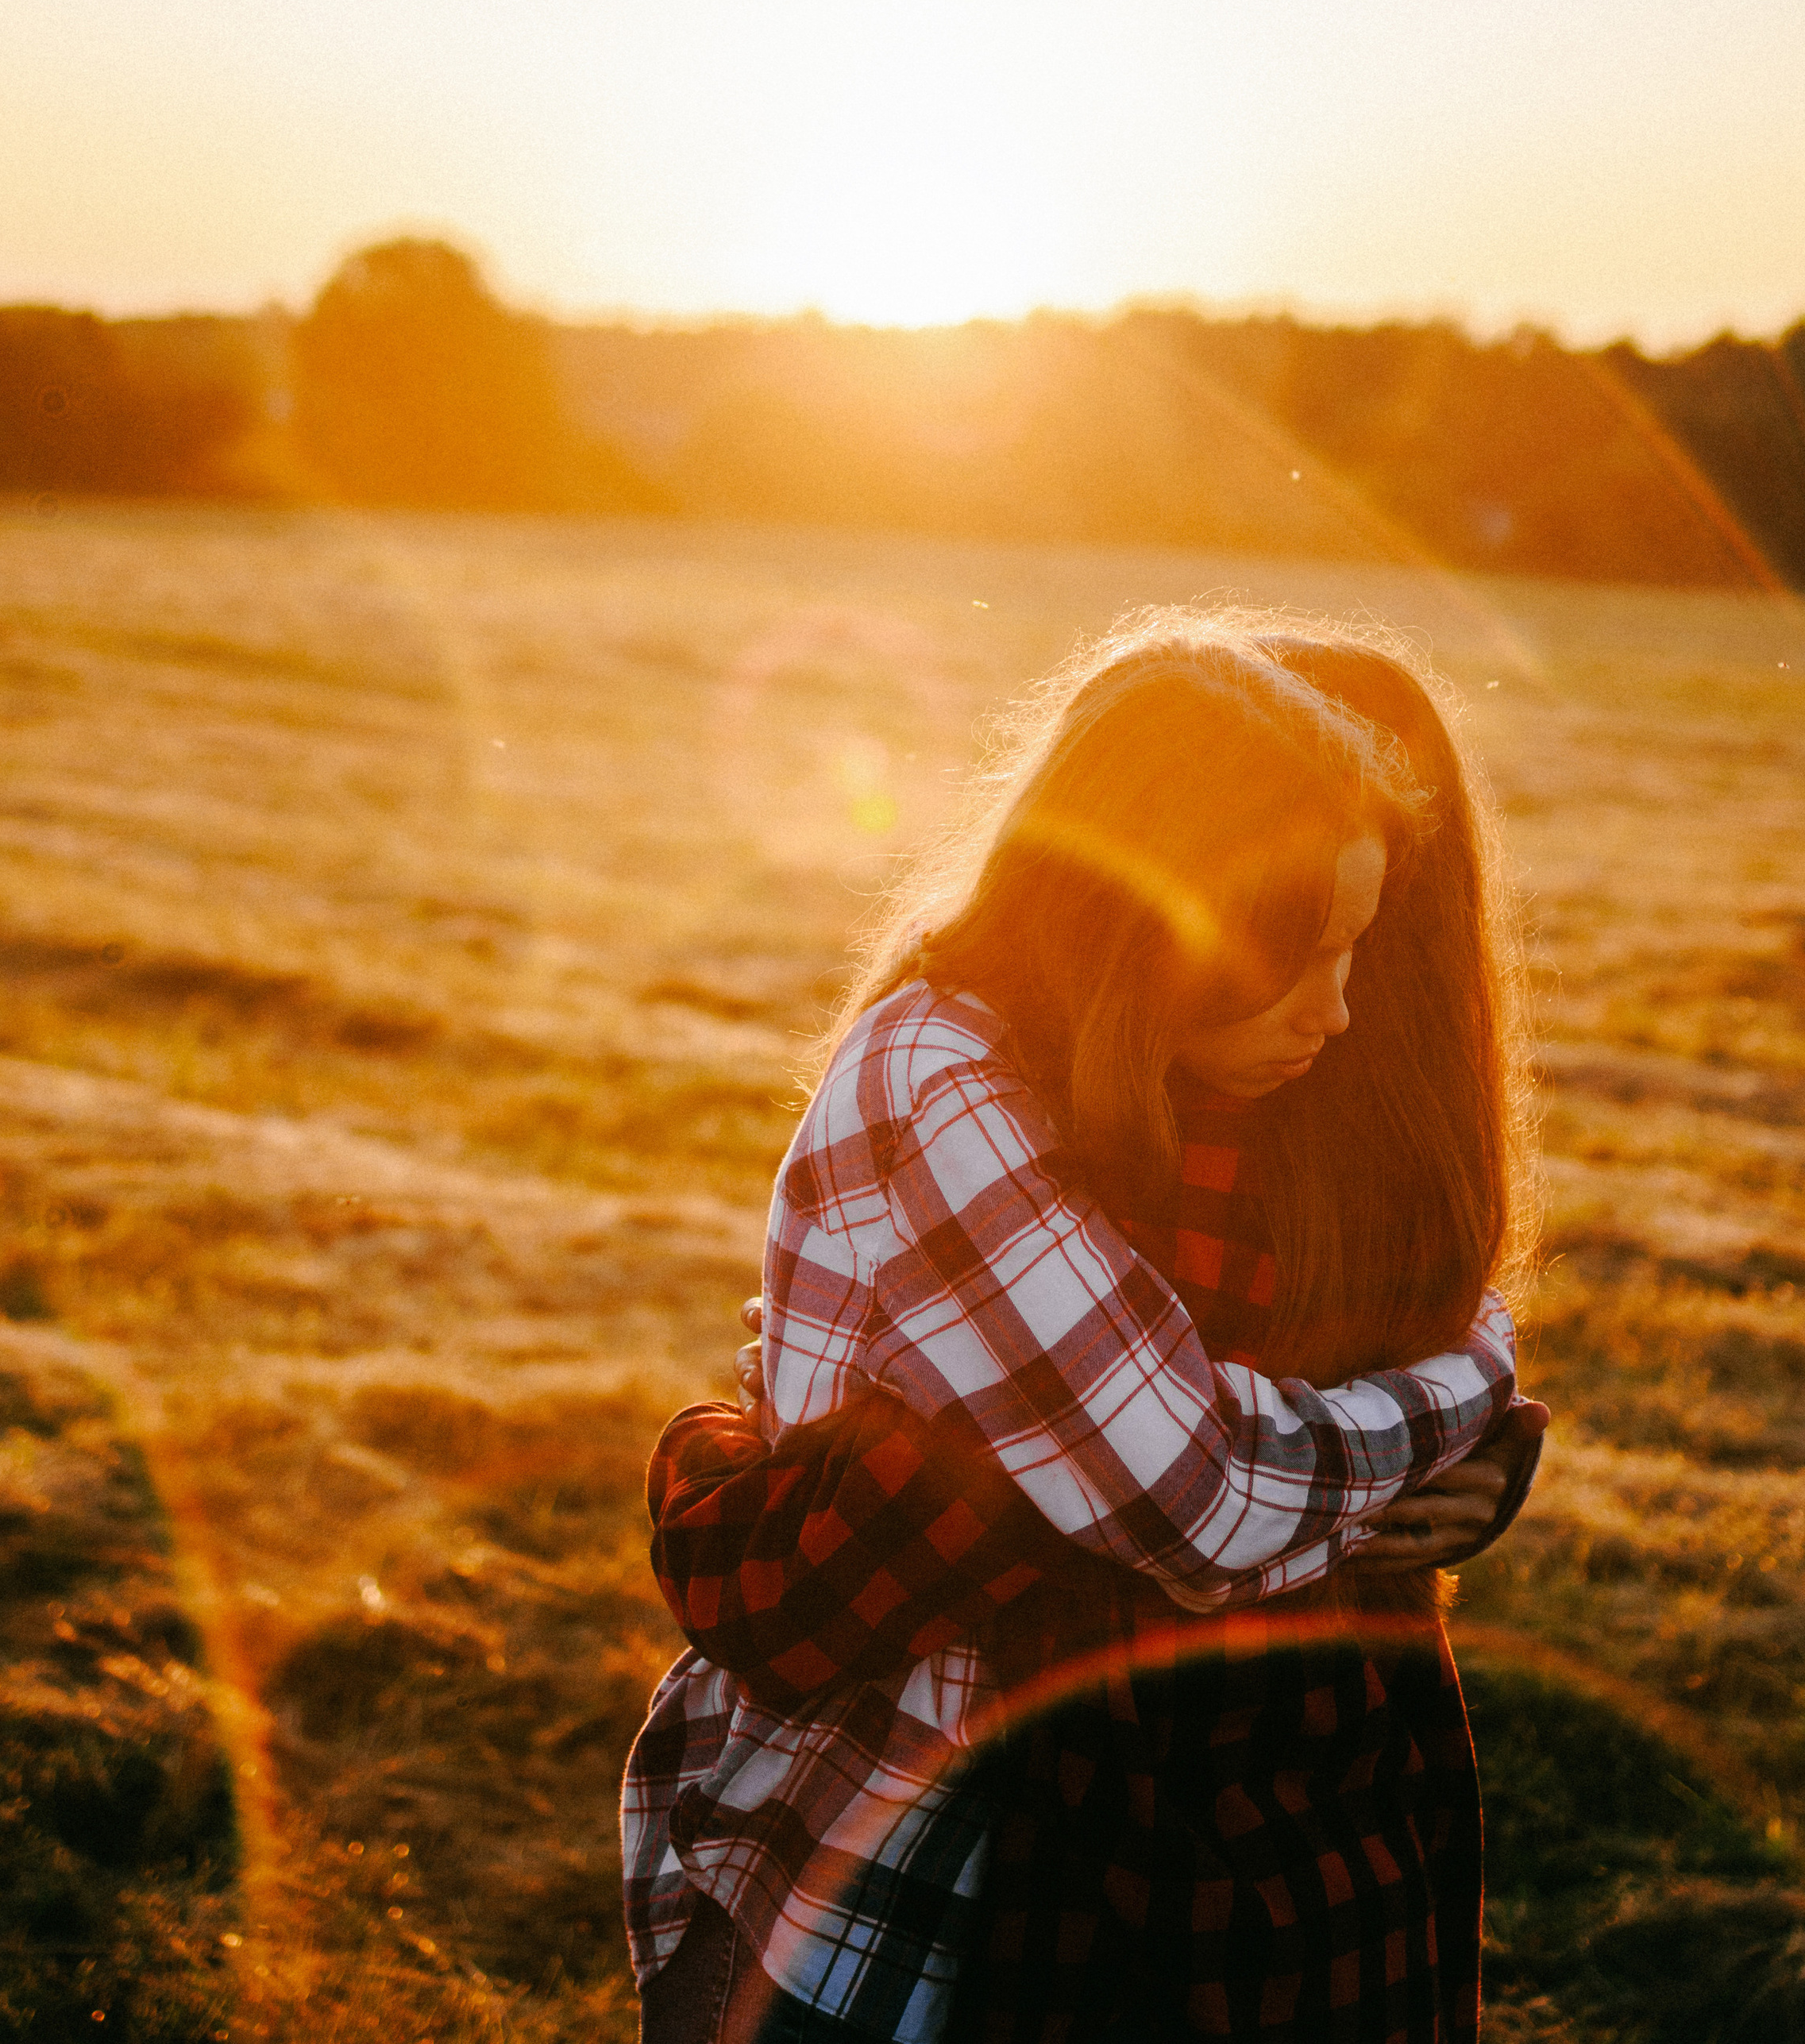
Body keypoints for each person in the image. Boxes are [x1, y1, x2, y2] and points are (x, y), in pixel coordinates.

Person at [624, 612, 1541, 2044]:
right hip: (877, 1885)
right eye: (1300, 951)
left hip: (1095, 1884)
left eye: (1362, 949)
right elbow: (1200, 1496)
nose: (1344, 1014)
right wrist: (1467, 1385)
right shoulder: (951, 1077)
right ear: (1163, 910)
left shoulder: (1183, 1105)